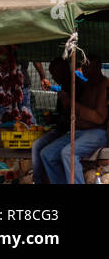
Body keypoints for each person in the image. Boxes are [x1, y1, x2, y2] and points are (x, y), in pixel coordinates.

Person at [39, 55, 109, 184]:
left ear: (97, 66)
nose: (84, 69)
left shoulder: (104, 85)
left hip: (97, 133)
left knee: (68, 153)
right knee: (46, 154)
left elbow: (99, 118)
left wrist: (71, 103)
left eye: (87, 66)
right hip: (78, 131)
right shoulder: (87, 86)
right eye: (83, 66)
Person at [32, 56, 72, 183]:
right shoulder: (63, 87)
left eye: (54, 74)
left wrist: (56, 119)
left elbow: (71, 116)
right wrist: (53, 119)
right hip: (60, 130)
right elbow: (62, 116)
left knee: (46, 152)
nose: (53, 78)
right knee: (36, 145)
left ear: (63, 71)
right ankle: (38, 181)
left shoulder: (74, 87)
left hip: (70, 132)